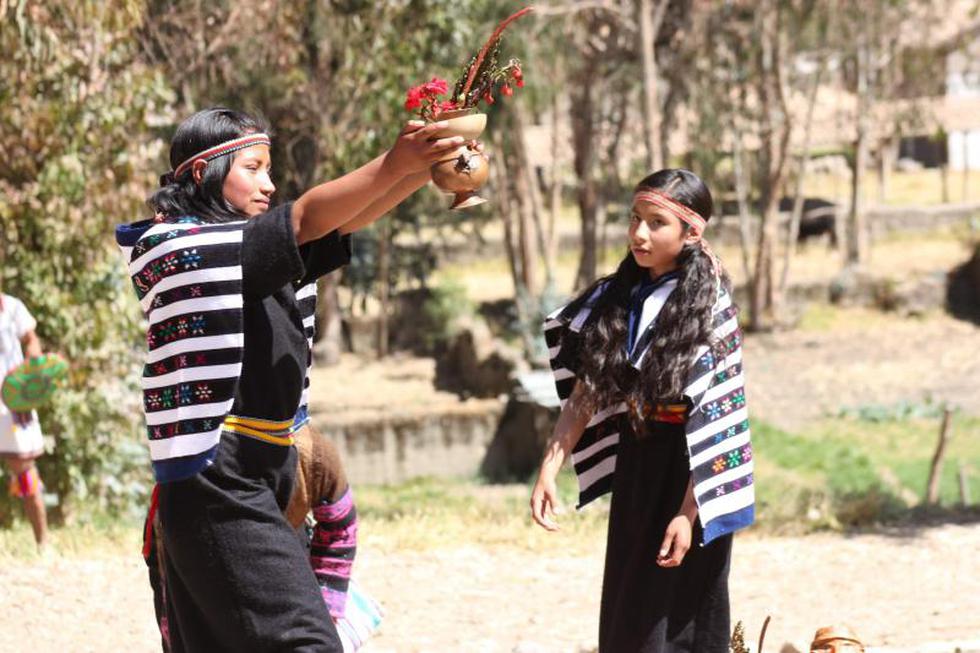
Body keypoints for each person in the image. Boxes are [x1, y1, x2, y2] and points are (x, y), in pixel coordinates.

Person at [115, 106, 468, 651]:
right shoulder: (175, 249)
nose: (270, 184)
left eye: (269, 169)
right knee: (308, 643)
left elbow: (345, 218)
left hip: (266, 471)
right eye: (253, 168)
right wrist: (395, 159)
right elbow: (305, 218)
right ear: (201, 174)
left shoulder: (246, 249)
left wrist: (421, 168)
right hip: (217, 477)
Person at [530, 169, 755, 652]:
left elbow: (719, 417)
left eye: (656, 223)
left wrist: (687, 514)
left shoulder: (710, 309)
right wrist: (551, 466)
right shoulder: (617, 299)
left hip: (689, 473)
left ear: (691, 232)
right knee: (629, 614)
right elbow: (586, 393)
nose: (639, 234)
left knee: (683, 623)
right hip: (638, 464)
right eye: (635, 219)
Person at [0, 289, 48, 549]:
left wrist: (34, 368)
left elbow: (31, 340)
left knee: (25, 472)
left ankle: (42, 543)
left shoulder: (12, 307)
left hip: (13, 403)